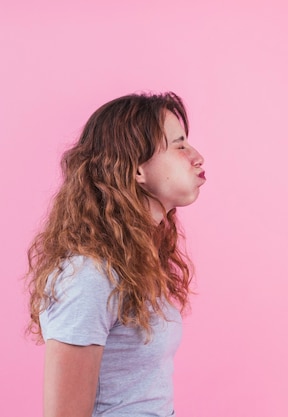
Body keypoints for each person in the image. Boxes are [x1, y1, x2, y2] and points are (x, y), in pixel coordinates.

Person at [26, 92, 206, 417]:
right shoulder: (89, 275)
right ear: (137, 169)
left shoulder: (134, 264)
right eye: (179, 145)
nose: (197, 157)